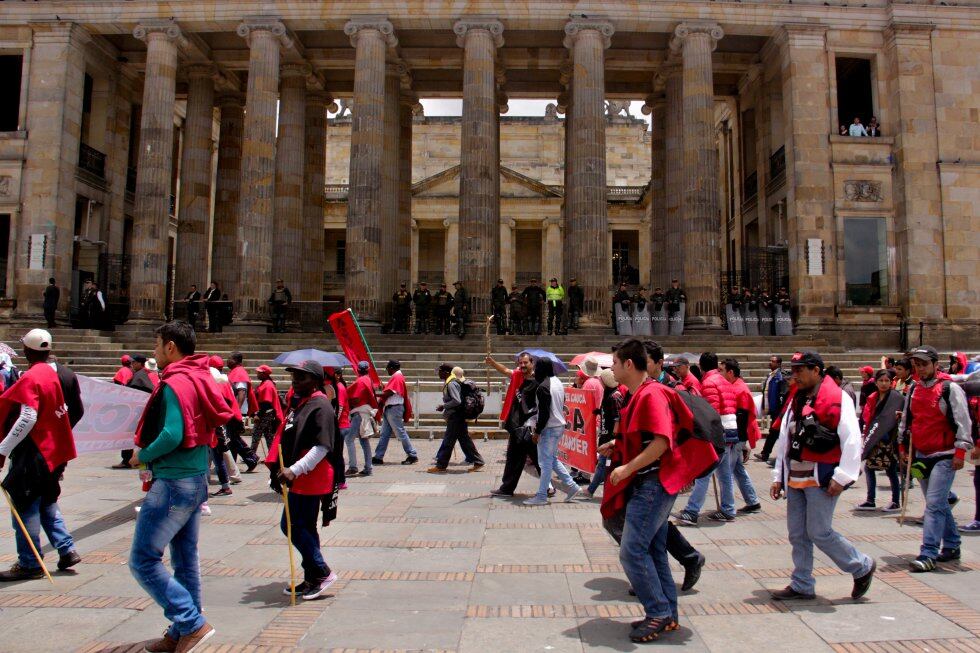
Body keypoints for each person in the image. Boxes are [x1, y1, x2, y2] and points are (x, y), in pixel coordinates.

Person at [128, 321, 236, 651]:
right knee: (185, 558)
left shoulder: (176, 382)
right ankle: (181, 630)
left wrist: (142, 456)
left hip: (173, 480)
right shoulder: (199, 376)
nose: (154, 352)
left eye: (157, 345)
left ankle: (191, 621)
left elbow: (173, 433)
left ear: (171, 347)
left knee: (143, 560)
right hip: (195, 478)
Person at [599, 338, 691, 642]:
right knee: (653, 549)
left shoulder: (650, 394)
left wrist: (628, 468)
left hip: (653, 484)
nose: (610, 367)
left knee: (632, 550)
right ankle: (668, 614)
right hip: (650, 481)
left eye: (614, 362)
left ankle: (658, 611)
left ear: (628, 365)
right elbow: (646, 437)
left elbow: (662, 442)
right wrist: (616, 446)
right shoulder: (639, 394)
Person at [769, 350, 876, 601]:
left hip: (822, 475)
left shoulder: (837, 397)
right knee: (797, 534)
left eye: (800, 370)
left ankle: (860, 565)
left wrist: (843, 476)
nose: (795, 375)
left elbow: (851, 438)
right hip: (796, 473)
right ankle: (802, 583)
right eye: (793, 370)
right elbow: (786, 436)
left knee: (819, 531)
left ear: (816, 370)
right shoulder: (797, 398)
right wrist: (778, 474)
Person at [0, 329, 82, 581]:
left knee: (25, 505)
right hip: (52, 450)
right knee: (47, 501)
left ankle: (29, 561)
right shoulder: (51, 372)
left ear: (26, 351)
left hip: (37, 452)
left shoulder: (33, 376)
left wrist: (3, 449)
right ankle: (66, 548)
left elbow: (28, 416)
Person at [265, 360, 339, 601]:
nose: (296, 381)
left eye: (302, 377)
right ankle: (311, 577)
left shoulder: (321, 406)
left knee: (291, 525)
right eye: (294, 376)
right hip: (301, 477)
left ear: (316, 381)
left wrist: (294, 470)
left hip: (311, 476)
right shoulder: (302, 403)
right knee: (305, 526)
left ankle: (322, 571)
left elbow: (322, 446)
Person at [899, 346, 974, 572]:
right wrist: (902, 446)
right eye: (917, 365)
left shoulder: (949, 388)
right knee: (938, 503)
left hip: (945, 454)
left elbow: (963, 421)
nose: (920, 369)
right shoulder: (913, 388)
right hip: (921, 454)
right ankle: (952, 545)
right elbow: (907, 419)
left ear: (934, 364)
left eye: (924, 364)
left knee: (933, 504)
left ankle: (928, 552)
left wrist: (961, 452)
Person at [675, 357, 761, 524]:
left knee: (705, 472)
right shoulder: (724, 382)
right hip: (729, 430)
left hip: (718, 432)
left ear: (701, 367)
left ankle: (692, 511)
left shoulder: (709, 383)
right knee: (725, 473)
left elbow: (710, 412)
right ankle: (728, 509)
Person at [486, 353, 544, 496]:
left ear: (532, 363)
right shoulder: (518, 375)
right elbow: (505, 370)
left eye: (525, 363)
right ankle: (548, 486)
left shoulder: (538, 380)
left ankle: (508, 488)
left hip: (529, 425)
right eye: (520, 363)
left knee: (526, 457)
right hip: (518, 424)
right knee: (533, 458)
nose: (523, 365)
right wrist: (493, 363)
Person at [523, 359, 580, 505]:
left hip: (549, 427)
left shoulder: (543, 387)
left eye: (536, 367)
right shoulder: (557, 382)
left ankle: (542, 495)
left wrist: (537, 432)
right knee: (552, 459)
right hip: (558, 425)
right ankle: (572, 486)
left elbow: (544, 413)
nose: (535, 370)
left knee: (545, 462)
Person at [855, 369, 904, 512]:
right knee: (869, 468)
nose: (884, 384)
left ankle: (895, 501)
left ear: (891, 382)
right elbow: (868, 418)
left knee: (891, 470)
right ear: (876, 382)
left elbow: (905, 417)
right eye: (881, 381)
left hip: (890, 440)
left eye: (887, 381)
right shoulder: (872, 398)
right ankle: (871, 500)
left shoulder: (897, 398)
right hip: (874, 437)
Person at [429, 364, 484, 473]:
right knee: (464, 440)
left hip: (456, 416)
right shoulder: (451, 382)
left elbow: (456, 400)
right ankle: (478, 461)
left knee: (448, 441)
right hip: (457, 415)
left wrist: (443, 406)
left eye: (439, 371)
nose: (438, 373)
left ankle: (441, 465)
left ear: (446, 372)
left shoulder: (451, 384)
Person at [371, 360, 418, 465]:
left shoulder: (397, 376)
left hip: (394, 409)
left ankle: (412, 454)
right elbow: (390, 390)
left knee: (400, 432)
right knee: (384, 434)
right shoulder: (397, 377)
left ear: (391, 368)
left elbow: (389, 392)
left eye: (388, 368)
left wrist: (375, 393)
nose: (387, 371)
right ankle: (378, 456)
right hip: (391, 409)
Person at [225, 352, 260, 471]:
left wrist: (236, 409)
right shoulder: (235, 372)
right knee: (232, 438)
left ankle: (251, 457)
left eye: (229, 359)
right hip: (234, 410)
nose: (227, 361)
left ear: (236, 360)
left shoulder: (239, 373)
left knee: (232, 437)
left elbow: (242, 392)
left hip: (236, 411)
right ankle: (246, 459)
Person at [346, 361, 378, 477]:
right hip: (365, 413)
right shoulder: (367, 379)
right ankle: (368, 467)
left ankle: (353, 466)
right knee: (364, 441)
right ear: (368, 369)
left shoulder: (360, 381)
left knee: (349, 439)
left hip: (359, 414)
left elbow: (354, 397)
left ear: (358, 370)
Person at [756, 356, 789, 462]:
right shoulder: (771, 375)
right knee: (775, 432)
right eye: (770, 361)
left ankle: (765, 453)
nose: (770, 363)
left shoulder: (781, 376)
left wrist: (781, 409)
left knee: (774, 432)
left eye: (773, 361)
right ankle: (768, 453)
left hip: (778, 410)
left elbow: (783, 394)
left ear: (779, 364)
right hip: (772, 408)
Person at [111, 354, 136, 469]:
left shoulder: (121, 371)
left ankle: (126, 460)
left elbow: (120, 386)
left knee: (125, 433)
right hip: (131, 404)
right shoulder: (132, 372)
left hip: (124, 405)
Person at [252, 365, 283, 454]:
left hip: (265, 413)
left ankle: (251, 456)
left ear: (265, 374)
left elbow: (266, 402)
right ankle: (272, 455)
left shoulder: (268, 385)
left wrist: (259, 415)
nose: (257, 374)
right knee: (268, 436)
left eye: (259, 373)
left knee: (256, 434)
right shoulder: (266, 382)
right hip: (268, 413)